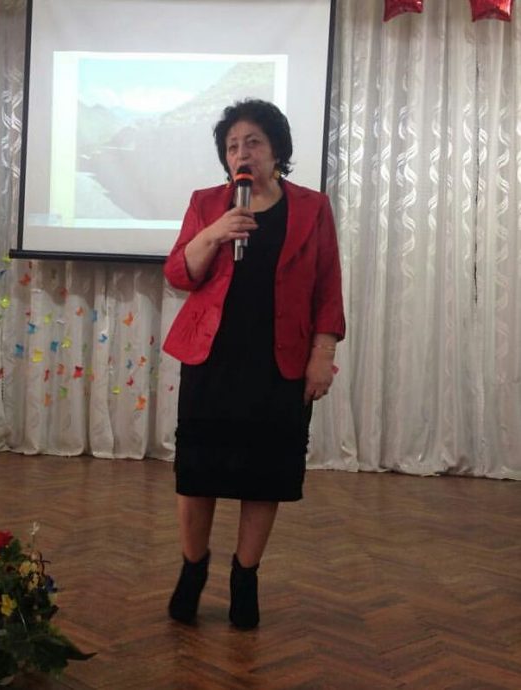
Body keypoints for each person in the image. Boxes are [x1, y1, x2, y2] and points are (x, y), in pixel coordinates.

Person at [162, 99, 345, 630]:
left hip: (279, 361)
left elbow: (327, 287)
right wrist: (214, 232)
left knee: (265, 474)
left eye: (253, 142)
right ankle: (193, 569)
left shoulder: (312, 207)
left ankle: (246, 576)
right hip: (213, 358)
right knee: (198, 474)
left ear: (276, 150)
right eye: (232, 146)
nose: (242, 153)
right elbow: (180, 274)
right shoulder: (207, 203)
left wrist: (323, 356)